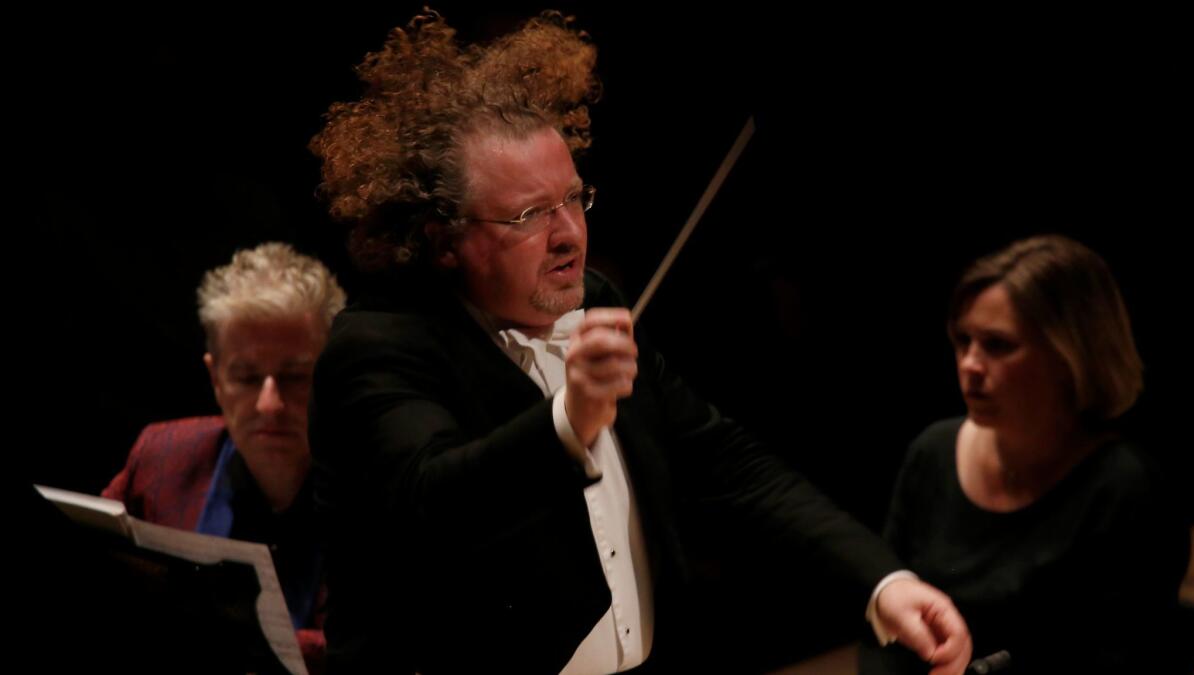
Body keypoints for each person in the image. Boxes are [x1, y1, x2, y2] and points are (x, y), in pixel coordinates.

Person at [308, 11, 970, 674]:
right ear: (442, 239)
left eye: (572, 199)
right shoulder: (380, 344)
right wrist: (570, 422)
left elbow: (725, 462)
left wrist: (885, 584)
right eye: (528, 215)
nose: (568, 233)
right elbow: (433, 501)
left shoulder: (598, 303)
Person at [861, 235, 1190, 674]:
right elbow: (884, 627)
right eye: (963, 340)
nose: (969, 364)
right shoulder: (933, 450)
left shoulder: (1125, 488)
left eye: (997, 345)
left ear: (1068, 354)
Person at [103, 242, 346, 672]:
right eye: (247, 377)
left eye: (295, 377)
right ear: (216, 378)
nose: (269, 403)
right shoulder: (162, 456)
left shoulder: (384, 490)